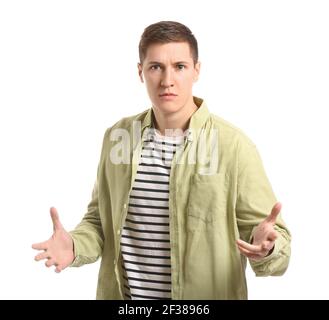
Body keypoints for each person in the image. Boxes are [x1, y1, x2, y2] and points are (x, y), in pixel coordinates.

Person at [32, 20, 291, 300]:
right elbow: (99, 222)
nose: (167, 80)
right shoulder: (119, 137)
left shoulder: (233, 146)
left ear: (196, 71)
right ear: (140, 72)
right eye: (156, 67)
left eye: (179, 66)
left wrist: (268, 248)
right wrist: (73, 245)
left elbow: (273, 239)